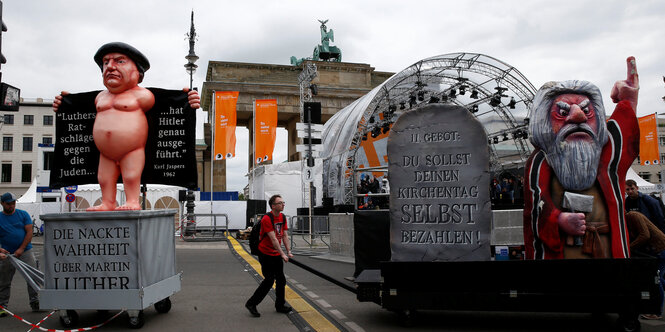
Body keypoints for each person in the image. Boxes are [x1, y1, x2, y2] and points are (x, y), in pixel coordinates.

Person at [52, 42, 201, 211]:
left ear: (138, 71)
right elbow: (80, 109)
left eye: (119, 61)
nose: (110, 66)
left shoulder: (143, 94)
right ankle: (108, 202)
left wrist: (188, 100)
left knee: (131, 175)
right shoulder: (100, 97)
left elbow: (167, 104)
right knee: (104, 178)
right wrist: (64, 104)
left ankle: (132, 201)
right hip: (105, 153)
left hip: (132, 149)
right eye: (106, 62)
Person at [523, 57, 640, 259]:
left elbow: (627, 137)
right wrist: (558, 219)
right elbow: (534, 204)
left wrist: (629, 101)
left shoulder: (607, 158)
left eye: (587, 110)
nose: (579, 117)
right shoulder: (541, 162)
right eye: (562, 112)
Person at [245, 194, 293, 317]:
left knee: (281, 280)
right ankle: (251, 303)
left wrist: (289, 251)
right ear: (273, 206)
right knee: (269, 280)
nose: (283, 204)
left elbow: (285, 236)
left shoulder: (282, 217)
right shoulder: (267, 219)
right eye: (280, 203)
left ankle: (280, 305)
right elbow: (273, 239)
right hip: (265, 253)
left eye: (283, 202)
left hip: (276, 253)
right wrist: (282, 254)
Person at [0, 192, 39, 317]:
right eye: (8, 204)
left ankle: (35, 301)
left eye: (13, 203)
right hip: (7, 254)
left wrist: (21, 248)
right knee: (4, 280)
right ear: (2, 203)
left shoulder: (23, 214)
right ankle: (2, 306)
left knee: (32, 276)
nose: (11, 206)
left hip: (25, 251)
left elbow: (29, 232)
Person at [624, 211, 665, 320]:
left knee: (657, 280)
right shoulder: (629, 219)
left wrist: (629, 248)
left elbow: (645, 235)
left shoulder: (633, 216)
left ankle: (656, 312)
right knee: (658, 278)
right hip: (656, 250)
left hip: (660, 249)